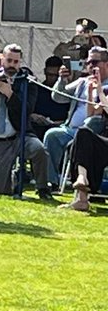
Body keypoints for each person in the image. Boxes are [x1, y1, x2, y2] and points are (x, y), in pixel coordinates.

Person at [0, 44, 51, 198]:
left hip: (20, 135)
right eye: (9, 61)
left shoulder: (28, 81)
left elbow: (27, 110)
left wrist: (10, 95)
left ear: (20, 62)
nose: (12, 65)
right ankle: (14, 179)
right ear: (2, 60)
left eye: (16, 62)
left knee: (39, 150)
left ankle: (42, 188)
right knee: (1, 191)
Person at [42, 52, 101, 187]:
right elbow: (58, 97)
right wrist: (62, 80)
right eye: (88, 63)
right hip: (70, 130)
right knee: (52, 135)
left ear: (106, 64)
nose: (90, 66)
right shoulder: (82, 82)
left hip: (95, 133)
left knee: (86, 132)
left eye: (94, 62)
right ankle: (52, 181)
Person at [61, 51, 108, 212]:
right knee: (83, 134)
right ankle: (81, 181)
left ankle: (81, 196)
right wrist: (90, 91)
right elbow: (91, 114)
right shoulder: (101, 90)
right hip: (104, 140)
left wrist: (100, 89)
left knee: (77, 144)